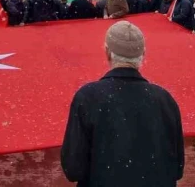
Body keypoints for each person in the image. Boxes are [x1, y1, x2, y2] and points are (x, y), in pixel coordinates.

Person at [61, 21, 184, 186]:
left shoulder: (88, 97)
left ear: (107, 52)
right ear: (143, 54)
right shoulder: (164, 99)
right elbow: (177, 168)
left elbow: (73, 168)